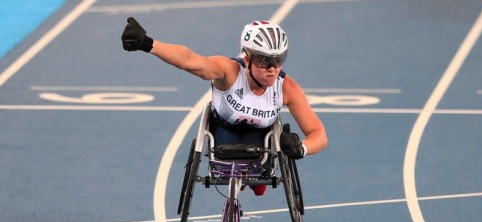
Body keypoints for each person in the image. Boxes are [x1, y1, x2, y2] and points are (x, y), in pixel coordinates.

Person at [121, 18, 328, 195]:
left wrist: (302, 148)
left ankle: (254, 182)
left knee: (257, 169)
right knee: (227, 166)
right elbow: (190, 60)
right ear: (247, 59)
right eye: (264, 62)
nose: (273, 69)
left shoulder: (287, 88)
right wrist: (148, 43)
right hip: (222, 130)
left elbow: (318, 133)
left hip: (260, 137)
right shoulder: (229, 72)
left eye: (278, 60)